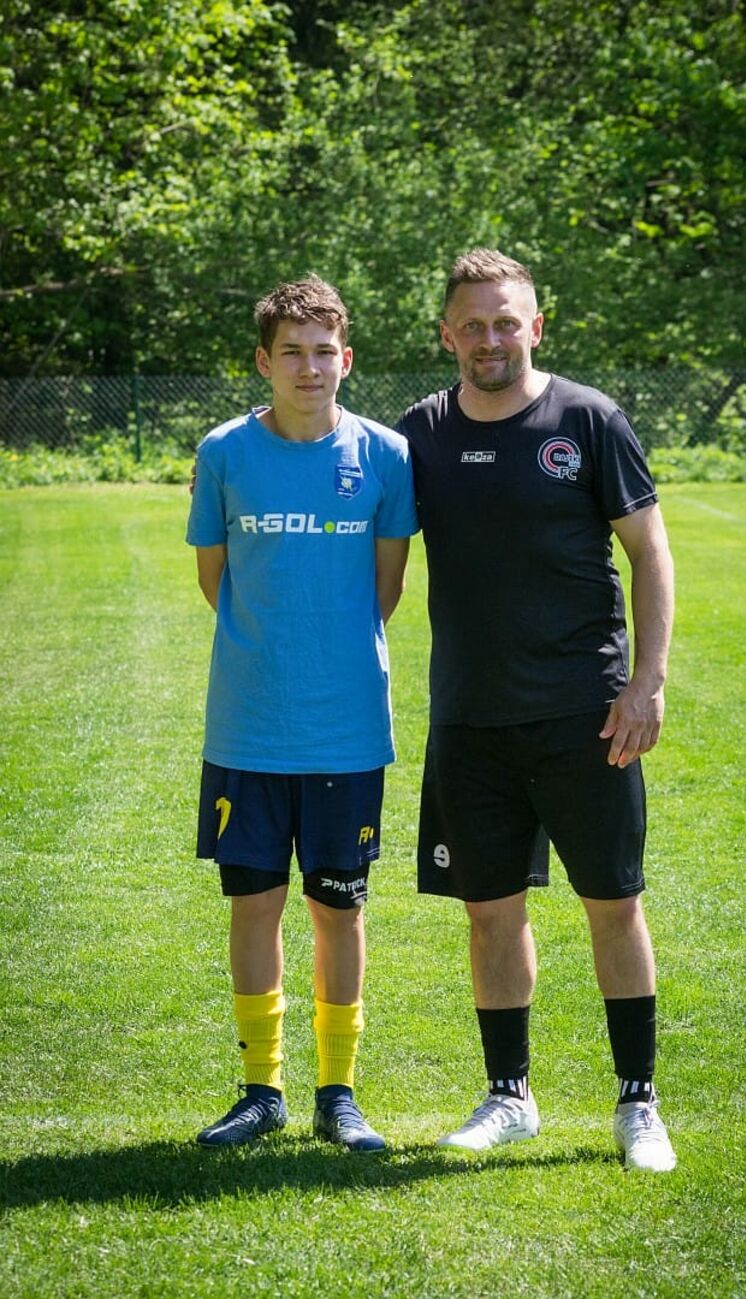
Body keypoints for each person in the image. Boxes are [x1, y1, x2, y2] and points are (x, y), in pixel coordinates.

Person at [397, 249, 677, 1171]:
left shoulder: (588, 419)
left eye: (505, 321)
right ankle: (509, 1095)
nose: (490, 338)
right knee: (490, 914)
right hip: (471, 719)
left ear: (536, 326)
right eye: (472, 324)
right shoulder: (421, 433)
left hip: (585, 713)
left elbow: (649, 552)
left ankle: (637, 1103)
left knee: (613, 905)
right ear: (448, 334)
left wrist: (647, 681)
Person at [186, 275, 418, 1151]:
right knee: (253, 905)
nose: (310, 366)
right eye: (292, 351)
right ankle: (261, 1088)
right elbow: (217, 581)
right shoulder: (224, 453)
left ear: (346, 358)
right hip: (247, 727)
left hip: (348, 729)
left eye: (325, 351)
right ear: (264, 361)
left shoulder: (387, 457)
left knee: (339, 910)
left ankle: (337, 1090)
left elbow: (384, 589)